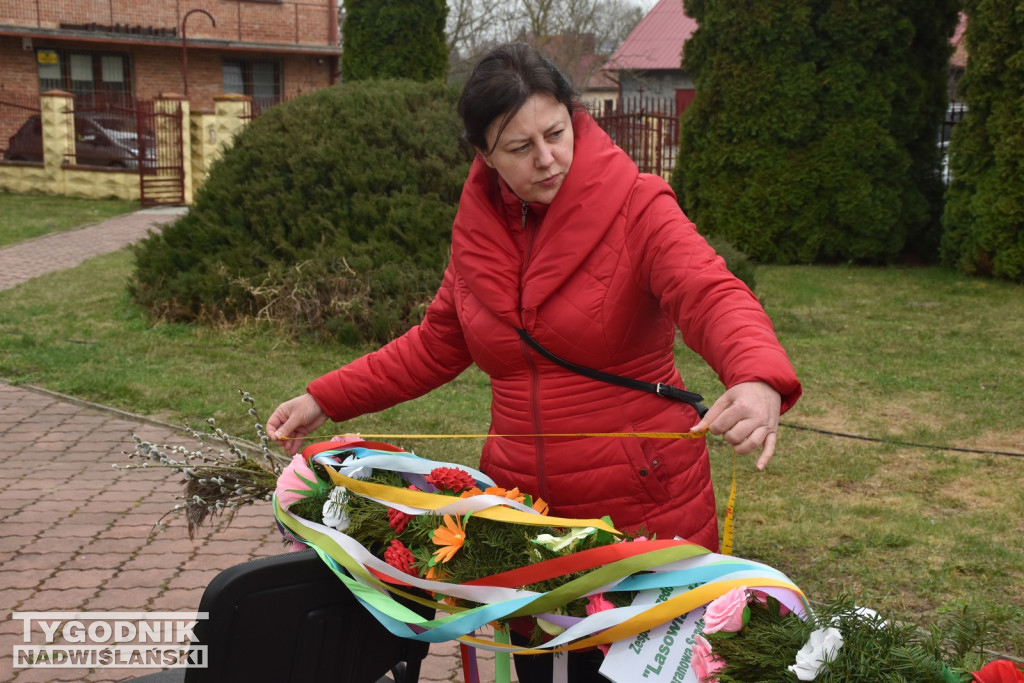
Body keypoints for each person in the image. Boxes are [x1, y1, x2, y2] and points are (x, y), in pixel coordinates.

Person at [268, 42, 801, 680]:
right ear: (484, 155)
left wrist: (757, 377)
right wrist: (324, 398)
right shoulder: (477, 237)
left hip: (638, 507)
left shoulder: (640, 207)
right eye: (519, 148)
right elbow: (437, 342)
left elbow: (712, 294)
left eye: (556, 133)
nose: (547, 158)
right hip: (522, 518)